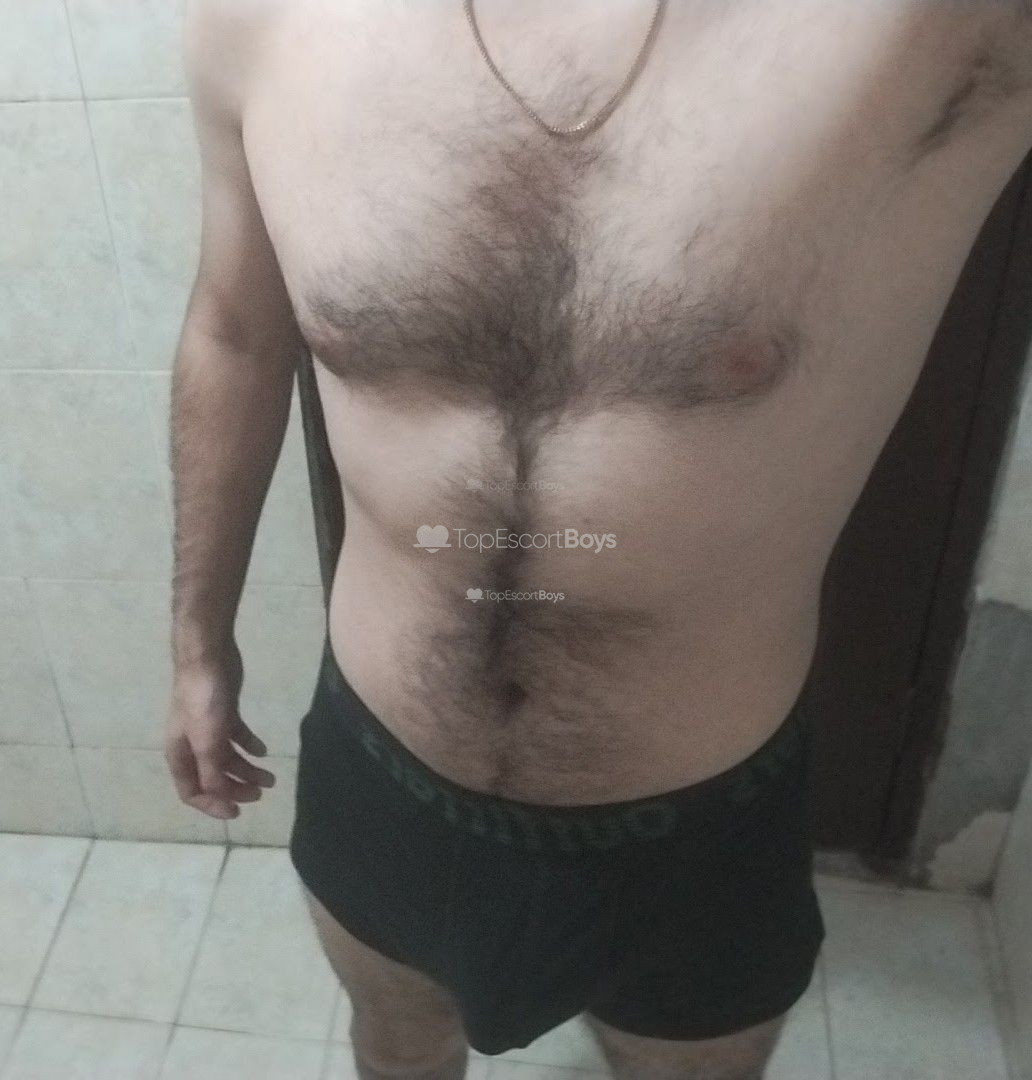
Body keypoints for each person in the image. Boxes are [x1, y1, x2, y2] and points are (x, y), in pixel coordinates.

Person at [164, 2, 1032, 1076]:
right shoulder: (261, 20)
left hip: (699, 828)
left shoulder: (929, 29)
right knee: (396, 1049)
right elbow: (234, 332)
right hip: (380, 769)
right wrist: (198, 645)